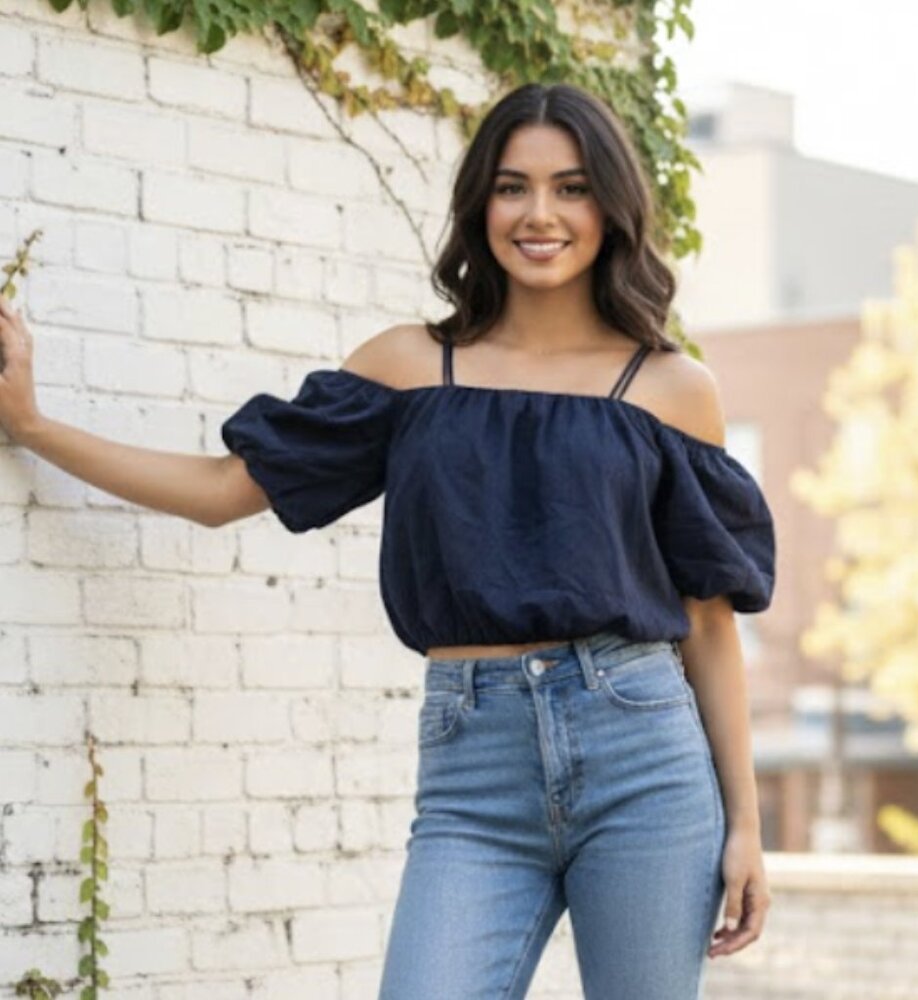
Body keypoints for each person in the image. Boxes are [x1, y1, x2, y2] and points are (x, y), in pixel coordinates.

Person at [0, 81, 775, 999]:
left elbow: (707, 621)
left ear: (610, 207)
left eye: (571, 188)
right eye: (511, 186)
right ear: (479, 201)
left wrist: (747, 824)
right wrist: (35, 426)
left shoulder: (671, 389)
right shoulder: (409, 366)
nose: (539, 214)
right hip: (472, 766)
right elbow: (220, 493)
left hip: (644, 757)